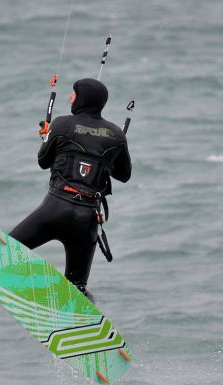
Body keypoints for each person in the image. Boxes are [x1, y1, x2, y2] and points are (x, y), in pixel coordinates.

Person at [9, 78, 132, 302]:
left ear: (81, 98)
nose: (70, 97)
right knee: (78, 290)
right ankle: (80, 317)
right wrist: (108, 155)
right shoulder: (116, 135)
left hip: (55, 209)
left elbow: (43, 161)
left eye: (73, 93)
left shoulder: (62, 124)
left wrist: (47, 138)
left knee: (3, 253)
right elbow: (124, 176)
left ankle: (41, 294)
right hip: (87, 221)